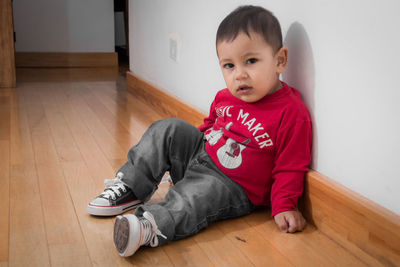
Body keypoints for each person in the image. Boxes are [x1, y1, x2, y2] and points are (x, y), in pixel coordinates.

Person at [87, 5, 312, 257]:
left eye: (251, 61)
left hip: (231, 185)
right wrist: (183, 155)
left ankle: (148, 225)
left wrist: (284, 204)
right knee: (169, 127)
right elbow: (209, 128)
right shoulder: (225, 97)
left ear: (280, 60)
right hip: (202, 156)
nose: (239, 75)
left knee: (193, 197)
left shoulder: (291, 112)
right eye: (229, 65)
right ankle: (131, 185)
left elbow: (290, 165)